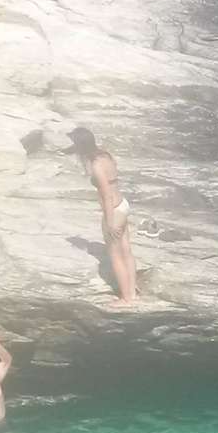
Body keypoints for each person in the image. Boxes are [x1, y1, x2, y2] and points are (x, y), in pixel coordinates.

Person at [69, 126, 138, 302]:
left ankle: (126, 299)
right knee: (126, 250)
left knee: (115, 254)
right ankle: (133, 295)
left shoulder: (96, 164)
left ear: (80, 145)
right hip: (123, 204)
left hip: (113, 209)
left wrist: (109, 222)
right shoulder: (105, 155)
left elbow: (106, 195)